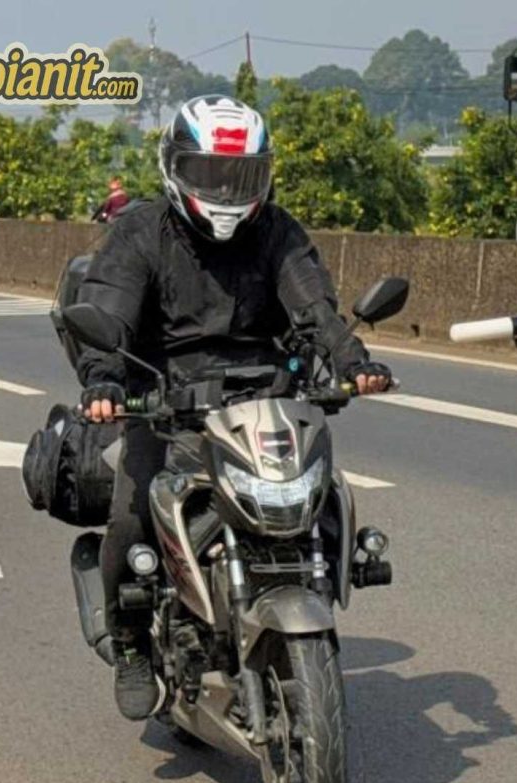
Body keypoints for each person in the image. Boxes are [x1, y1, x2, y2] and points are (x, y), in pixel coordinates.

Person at [75, 95, 393, 721]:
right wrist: (106, 384)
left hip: (266, 398)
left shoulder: (277, 231)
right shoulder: (140, 233)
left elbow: (314, 308)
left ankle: (313, 582)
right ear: (176, 168)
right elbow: (108, 313)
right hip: (166, 399)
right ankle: (134, 643)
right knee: (134, 516)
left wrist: (354, 363)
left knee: (320, 498)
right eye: (211, 174)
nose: (225, 190)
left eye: (239, 176)